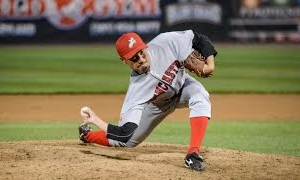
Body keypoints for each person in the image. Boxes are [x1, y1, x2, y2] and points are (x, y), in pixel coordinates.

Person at [78, 30, 217, 171]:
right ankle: (87, 135)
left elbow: (200, 38)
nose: (141, 59)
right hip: (158, 105)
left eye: (141, 53)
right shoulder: (137, 90)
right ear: (124, 61)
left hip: (183, 86)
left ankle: (193, 154)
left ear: (145, 47)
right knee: (128, 141)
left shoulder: (166, 42)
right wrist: (95, 120)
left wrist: (210, 64)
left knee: (200, 97)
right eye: (134, 58)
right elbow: (125, 133)